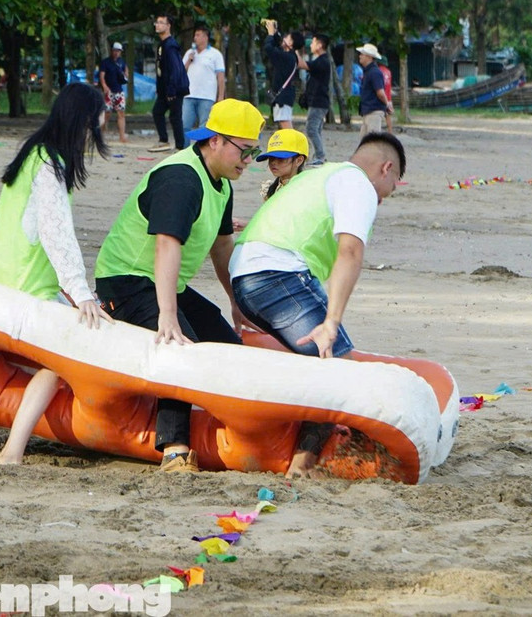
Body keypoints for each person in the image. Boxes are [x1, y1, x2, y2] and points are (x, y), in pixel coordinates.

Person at [94, 98, 265, 472]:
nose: (248, 161)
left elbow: (223, 248)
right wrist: (168, 316)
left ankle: (240, 426)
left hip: (164, 281)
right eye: (244, 150)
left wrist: (236, 303)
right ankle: (174, 448)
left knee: (228, 345)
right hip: (126, 281)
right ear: (215, 140)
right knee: (179, 346)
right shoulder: (182, 178)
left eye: (254, 152)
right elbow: (166, 244)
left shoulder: (220, 183)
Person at [230, 132, 406, 478]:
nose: (386, 196)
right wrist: (331, 322)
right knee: (336, 361)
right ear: (386, 168)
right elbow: (351, 251)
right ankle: (303, 466)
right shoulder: (358, 184)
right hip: (275, 274)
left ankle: (300, 444)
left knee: (317, 360)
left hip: (247, 277)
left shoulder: (318, 175)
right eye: (392, 186)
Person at [0, 83, 113, 464]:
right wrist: (80, 293)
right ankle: (12, 451)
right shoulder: (49, 165)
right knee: (60, 358)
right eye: (92, 130)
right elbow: (56, 233)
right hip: (23, 286)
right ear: (83, 123)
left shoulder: (33, 152)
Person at [149, 14, 188, 152]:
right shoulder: (163, 44)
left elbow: (175, 69)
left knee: (175, 116)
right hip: (165, 89)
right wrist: (161, 89)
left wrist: (172, 89)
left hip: (175, 88)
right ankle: (163, 140)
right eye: (157, 22)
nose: (157, 25)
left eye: (161, 22)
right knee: (157, 112)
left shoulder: (170, 46)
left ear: (168, 26)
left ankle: (179, 146)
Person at [182, 25, 226, 138]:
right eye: (195, 35)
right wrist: (188, 61)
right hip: (189, 94)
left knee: (204, 126)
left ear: (205, 37)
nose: (195, 38)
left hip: (207, 96)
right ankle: (184, 150)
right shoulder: (189, 53)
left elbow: (220, 76)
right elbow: (181, 71)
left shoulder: (215, 54)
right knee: (185, 125)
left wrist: (220, 96)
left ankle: (201, 152)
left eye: (198, 35)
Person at [295, 33, 332, 166]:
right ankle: (318, 155)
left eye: (313, 42)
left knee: (311, 128)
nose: (311, 45)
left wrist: (294, 50)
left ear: (320, 45)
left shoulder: (323, 61)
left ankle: (320, 156)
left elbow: (301, 64)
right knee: (316, 129)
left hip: (318, 102)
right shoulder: (320, 60)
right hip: (318, 102)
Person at [263, 19, 301, 130]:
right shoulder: (290, 56)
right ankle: (290, 144)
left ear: (291, 43)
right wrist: (274, 32)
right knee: (283, 122)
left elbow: (269, 49)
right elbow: (277, 45)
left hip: (283, 98)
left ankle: (293, 145)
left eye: (287, 38)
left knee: (285, 124)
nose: (284, 39)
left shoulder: (288, 57)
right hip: (284, 96)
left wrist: (270, 34)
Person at [257, 129, 309, 200]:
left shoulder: (305, 192)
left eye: (281, 158)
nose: (274, 162)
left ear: (299, 161)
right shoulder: (270, 190)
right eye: (271, 158)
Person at [98, 41, 129, 143]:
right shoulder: (105, 62)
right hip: (109, 91)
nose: (116, 53)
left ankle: (122, 136)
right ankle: (100, 134)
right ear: (112, 51)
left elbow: (126, 72)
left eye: (118, 51)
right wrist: (104, 86)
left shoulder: (122, 62)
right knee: (106, 113)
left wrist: (125, 76)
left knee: (121, 113)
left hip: (118, 91)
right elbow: (102, 76)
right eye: (115, 50)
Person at [356, 43, 389, 134]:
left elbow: (380, 92)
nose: (360, 56)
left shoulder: (374, 72)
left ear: (369, 57)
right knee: (366, 140)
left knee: (373, 140)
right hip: (368, 111)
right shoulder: (368, 71)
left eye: (362, 54)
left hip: (374, 111)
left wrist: (387, 104)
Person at [378, 55, 395, 133]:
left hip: (380, 96)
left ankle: (378, 131)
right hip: (388, 96)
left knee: (378, 115)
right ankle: (390, 132)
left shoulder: (378, 71)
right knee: (388, 116)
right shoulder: (388, 72)